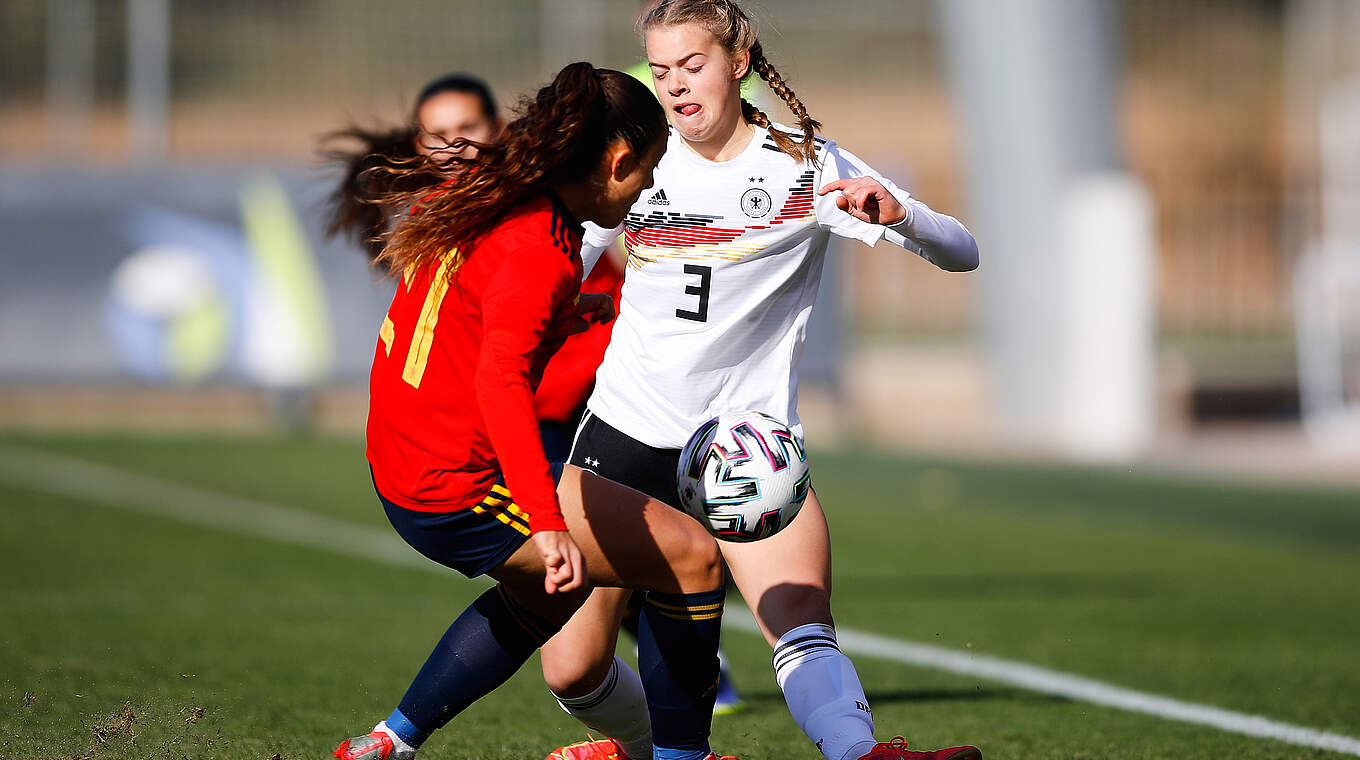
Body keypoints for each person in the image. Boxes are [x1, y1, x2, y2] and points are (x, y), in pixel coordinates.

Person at [537, 3, 982, 760]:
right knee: (571, 668)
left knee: (802, 626)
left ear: (737, 63)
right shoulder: (635, 160)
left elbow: (962, 250)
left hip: (746, 449)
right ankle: (641, 748)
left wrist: (900, 215)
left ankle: (860, 754)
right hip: (625, 440)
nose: (676, 86)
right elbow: (561, 263)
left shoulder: (806, 164)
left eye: (693, 65)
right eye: (663, 71)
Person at [333, 62, 732, 760]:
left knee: (550, 599)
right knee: (691, 558)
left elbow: (475, 309)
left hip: (403, 459)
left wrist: (572, 312)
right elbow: (501, 383)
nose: (646, 191)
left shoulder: (491, 190)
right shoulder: (537, 246)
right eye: (648, 170)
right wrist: (546, 523)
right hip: (454, 480)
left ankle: (393, 741)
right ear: (617, 160)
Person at [324, 73, 504, 261]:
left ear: (498, 128)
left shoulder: (522, 209)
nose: (455, 147)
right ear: (420, 145)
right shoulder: (408, 229)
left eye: (468, 128)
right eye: (439, 135)